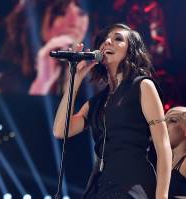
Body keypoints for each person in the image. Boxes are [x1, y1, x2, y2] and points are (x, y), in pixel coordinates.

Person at [53, 23, 172, 199]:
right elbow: (60, 130)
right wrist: (76, 78)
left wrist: (161, 196)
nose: (108, 42)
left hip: (132, 184)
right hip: (100, 185)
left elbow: (163, 147)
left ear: (131, 50)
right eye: (104, 40)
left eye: (118, 39)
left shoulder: (142, 86)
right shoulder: (97, 102)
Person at [0, 0, 90, 95]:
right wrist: (42, 83)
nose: (74, 22)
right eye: (60, 13)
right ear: (35, 20)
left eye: (81, 13)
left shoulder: (93, 85)